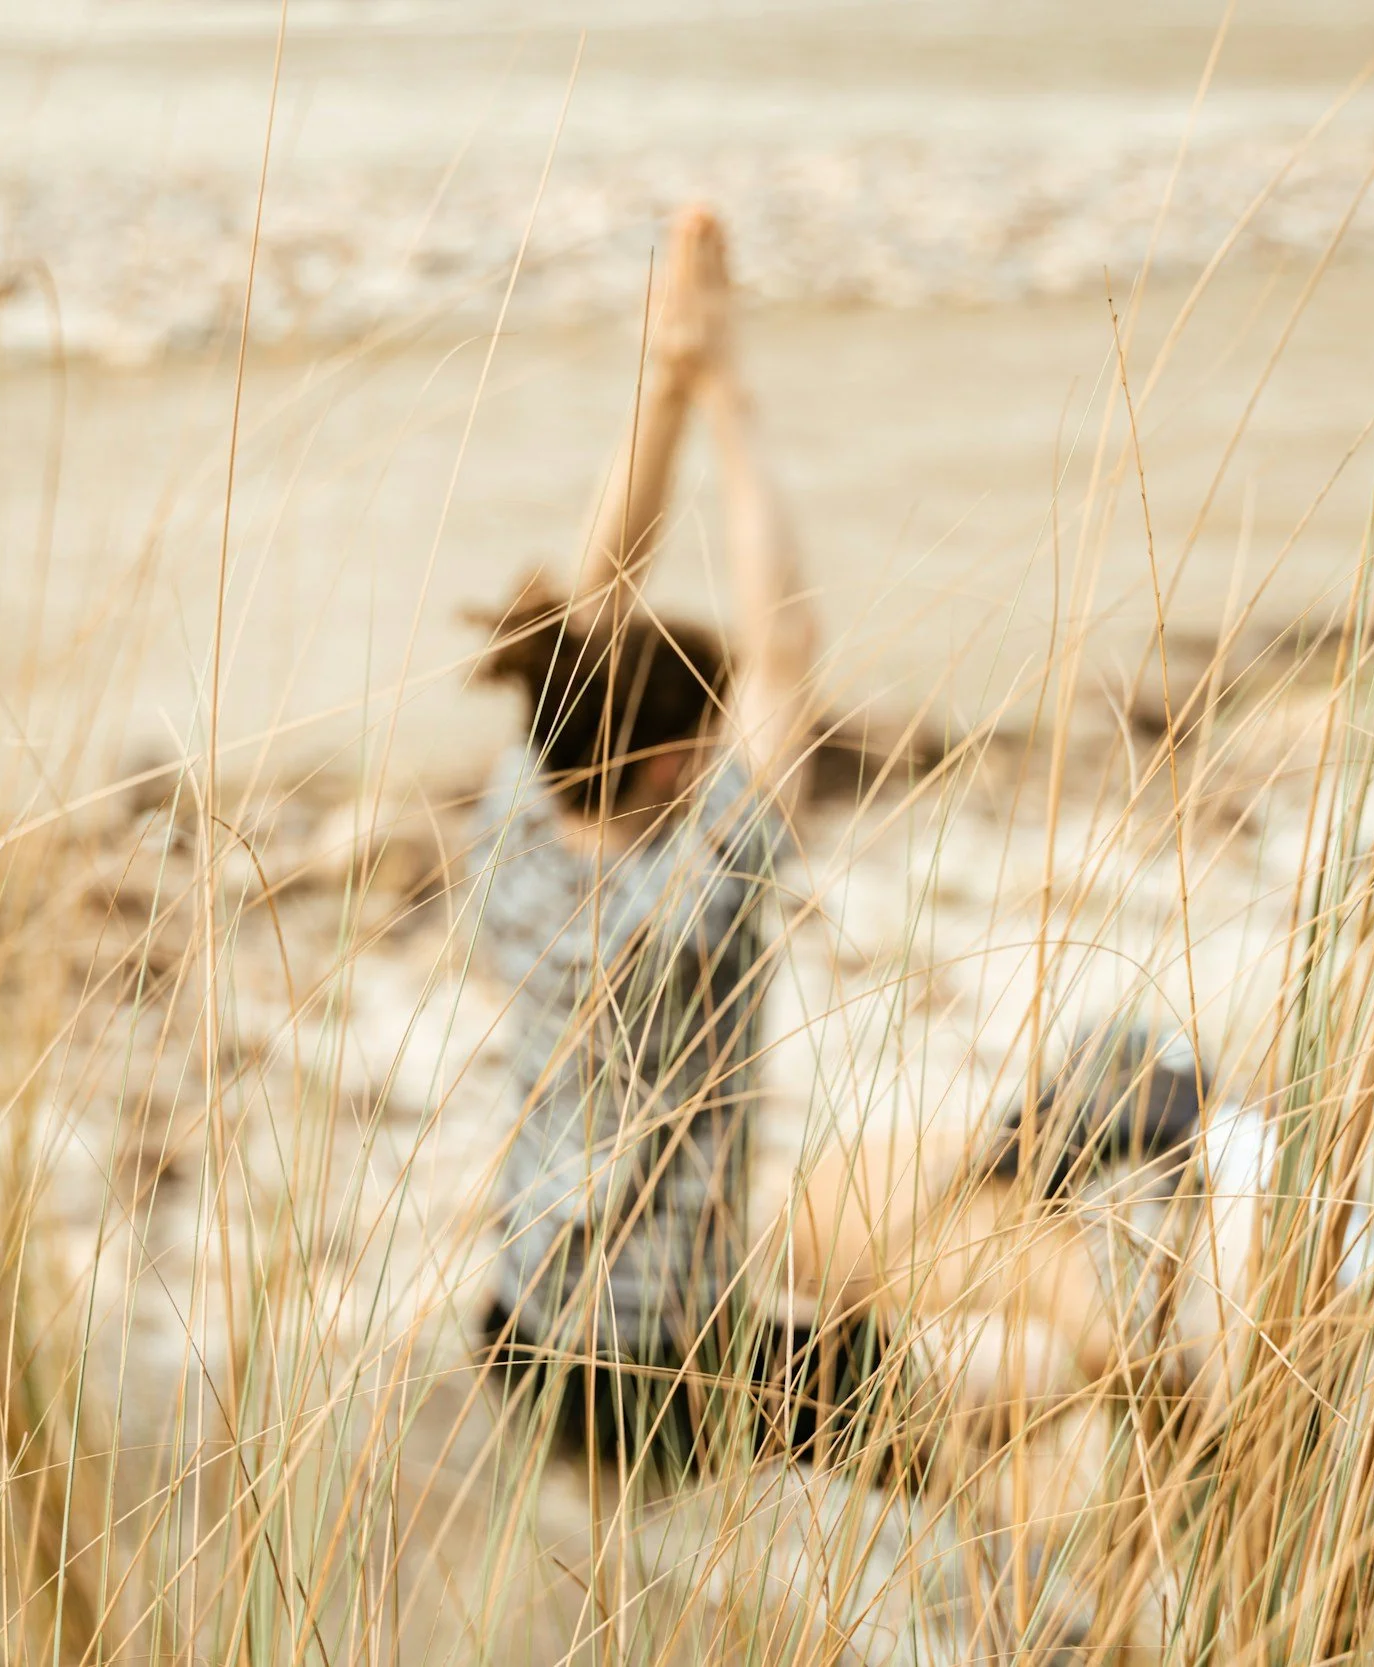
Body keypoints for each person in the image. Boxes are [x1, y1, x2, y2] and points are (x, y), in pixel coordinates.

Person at [462, 206, 854, 1479]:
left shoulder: (516, 836)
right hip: (666, 1381)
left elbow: (591, 605)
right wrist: (727, 390)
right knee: (977, 1389)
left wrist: (662, 378)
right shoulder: (692, 899)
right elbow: (786, 646)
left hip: (523, 1326)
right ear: (682, 768)